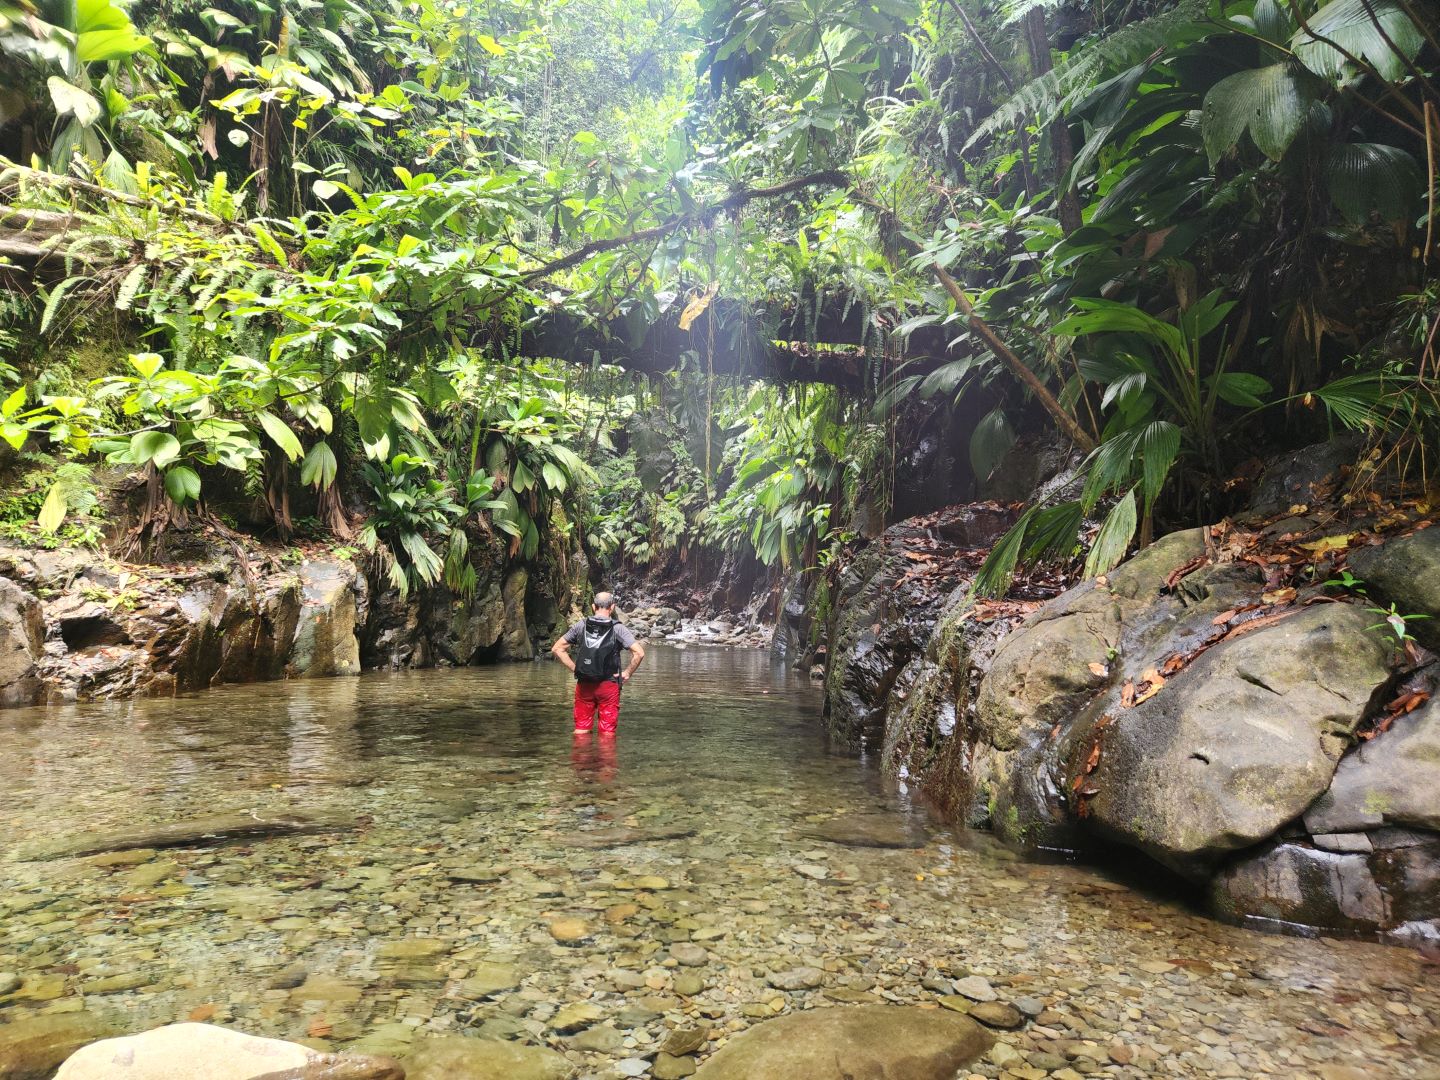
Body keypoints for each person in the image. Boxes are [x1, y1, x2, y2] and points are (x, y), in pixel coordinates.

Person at [552, 591, 644, 735]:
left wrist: (575, 668)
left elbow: (557, 649)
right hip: (609, 685)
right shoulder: (618, 628)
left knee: (581, 728)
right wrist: (627, 673)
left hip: (584, 683)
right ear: (612, 607)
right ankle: (606, 757)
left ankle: (581, 755)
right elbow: (639, 653)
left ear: (594, 607)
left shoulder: (580, 626)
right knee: (607, 732)